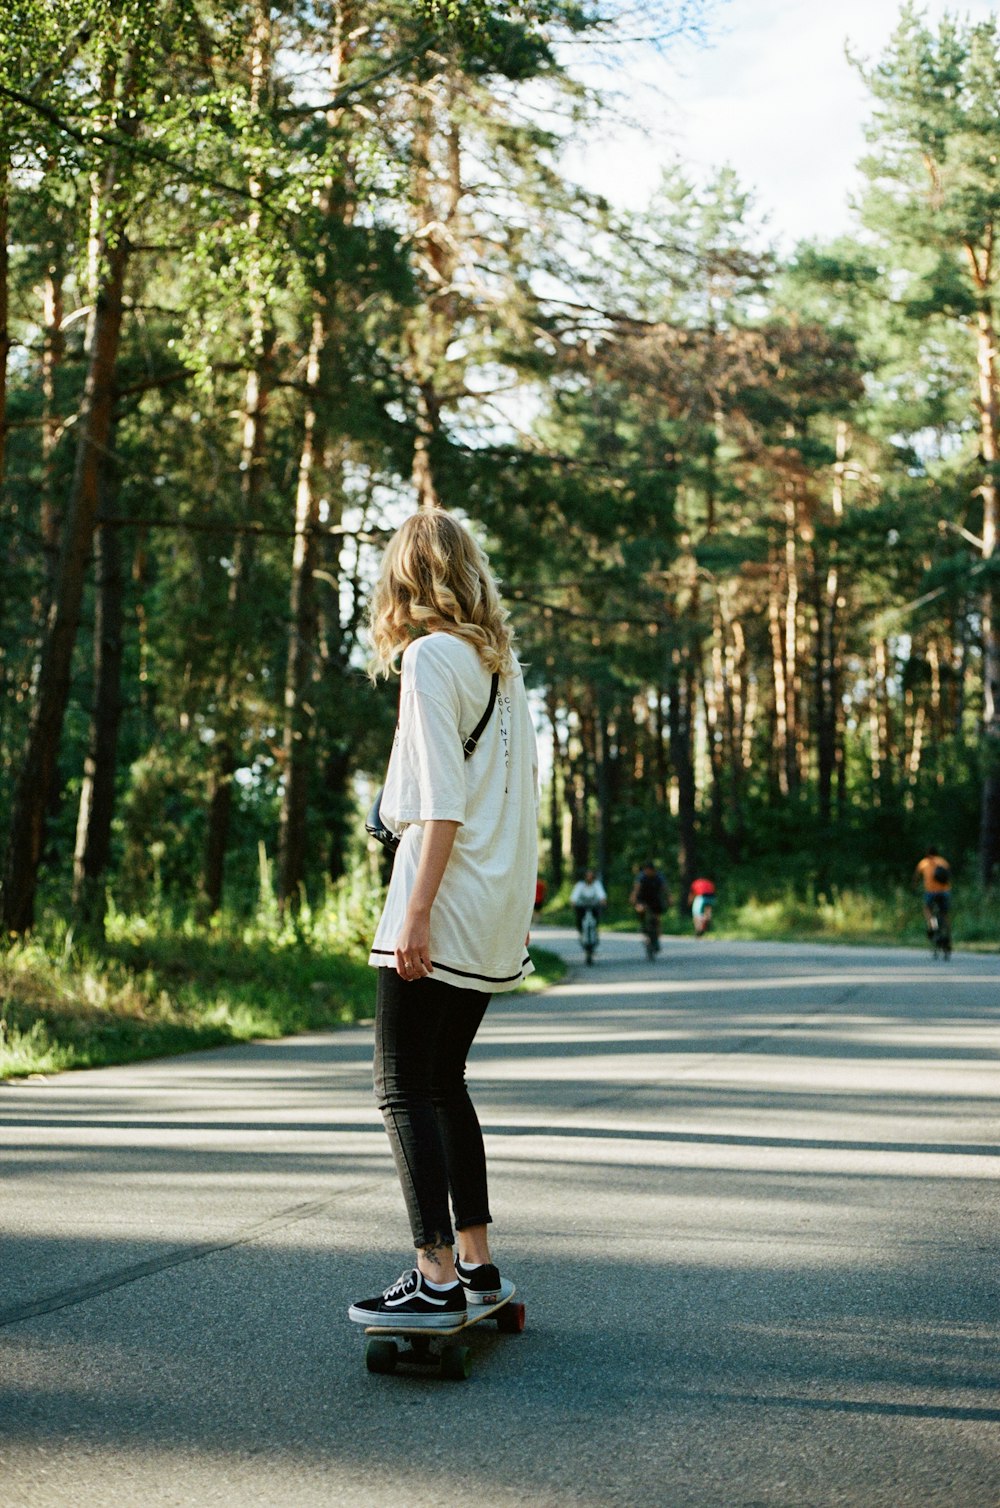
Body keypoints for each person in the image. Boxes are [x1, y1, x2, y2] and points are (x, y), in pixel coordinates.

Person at [348, 510, 538, 1332]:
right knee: (443, 1082)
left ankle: (431, 1275)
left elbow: (440, 804)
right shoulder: (500, 665)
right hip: (493, 908)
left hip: (442, 898)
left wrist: (416, 915)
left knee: (400, 1087)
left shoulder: (429, 658)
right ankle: (476, 1263)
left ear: (405, 578)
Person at [630, 861, 668, 954]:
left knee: (657, 919)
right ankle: (643, 925)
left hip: (654, 899)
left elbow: (665, 888)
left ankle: (656, 940)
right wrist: (633, 898)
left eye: (648, 870)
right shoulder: (641, 877)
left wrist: (669, 898)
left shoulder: (659, 877)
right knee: (640, 909)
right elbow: (636, 889)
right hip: (643, 899)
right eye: (645, 870)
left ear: (652, 870)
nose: (647, 872)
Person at [913, 846, 951, 935]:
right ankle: (948, 934)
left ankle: (933, 927)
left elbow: (916, 876)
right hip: (945, 891)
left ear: (927, 854)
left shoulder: (924, 862)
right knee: (944, 913)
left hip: (931, 892)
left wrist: (914, 886)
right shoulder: (943, 862)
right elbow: (949, 875)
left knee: (928, 909)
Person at [570, 868, 607, 935]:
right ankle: (580, 929)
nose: (589, 878)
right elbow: (575, 895)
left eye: (591, 876)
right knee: (579, 916)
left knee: (596, 915)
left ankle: (595, 928)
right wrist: (573, 902)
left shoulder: (596, 884)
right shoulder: (580, 885)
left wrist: (603, 900)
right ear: (584, 877)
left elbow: (601, 894)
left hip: (594, 905)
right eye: (588, 876)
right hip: (582, 905)